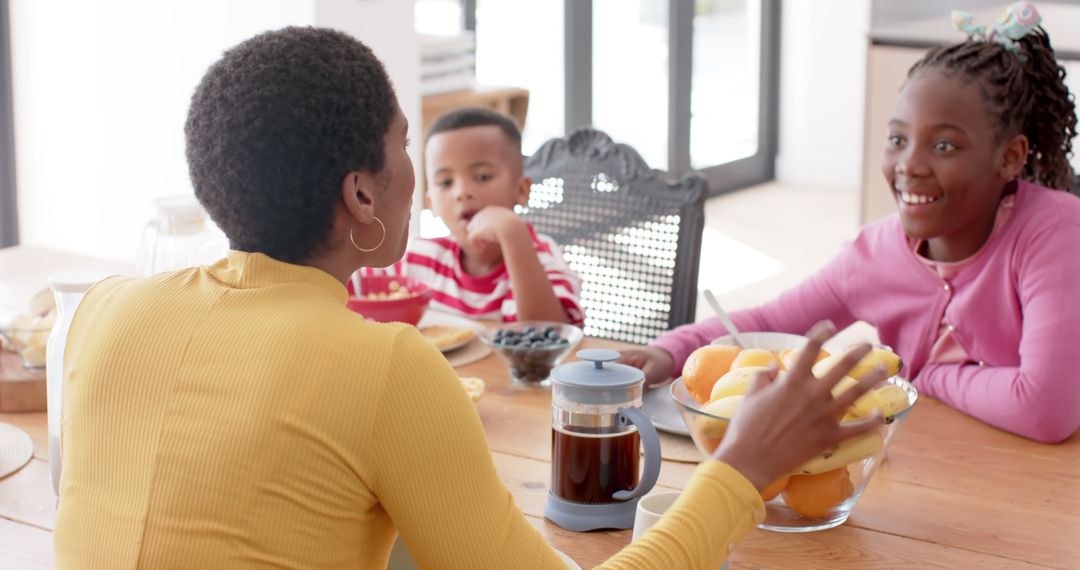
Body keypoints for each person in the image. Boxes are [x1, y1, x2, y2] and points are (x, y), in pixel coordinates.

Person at [53, 26, 883, 569]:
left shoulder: (104, 311)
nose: (421, 179)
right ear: (363, 197)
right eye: (404, 148)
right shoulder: (383, 365)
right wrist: (743, 469)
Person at [621, 2, 1080, 444]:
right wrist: (672, 351)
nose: (910, 165)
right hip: (938, 468)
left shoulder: (1055, 234)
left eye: (943, 147)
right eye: (898, 138)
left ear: (1010, 156)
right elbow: (770, 320)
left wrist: (930, 376)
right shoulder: (875, 253)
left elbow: (1045, 409)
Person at [353, 107, 584, 325]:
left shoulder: (541, 257)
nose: (462, 192)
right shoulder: (419, 256)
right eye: (445, 182)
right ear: (430, 202)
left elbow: (552, 339)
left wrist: (513, 234)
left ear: (522, 190)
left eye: (483, 177)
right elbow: (346, 288)